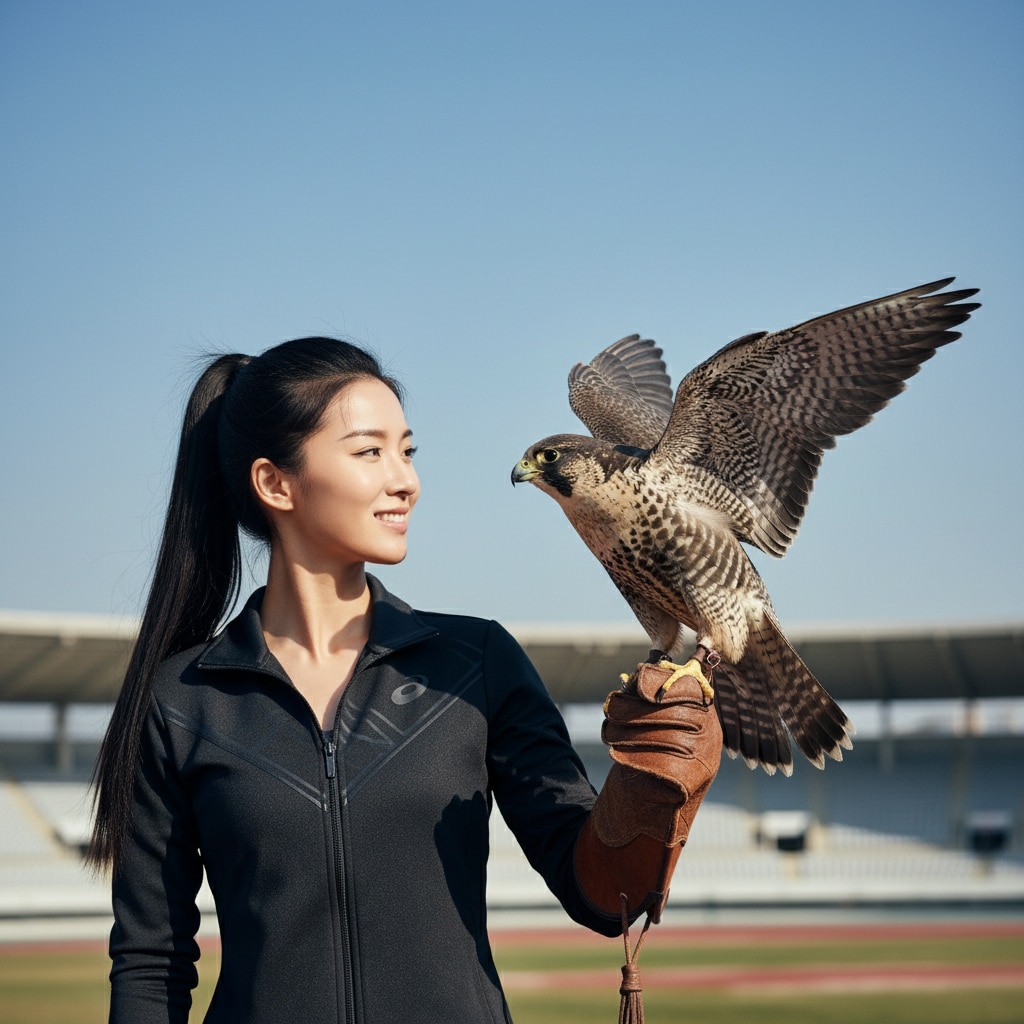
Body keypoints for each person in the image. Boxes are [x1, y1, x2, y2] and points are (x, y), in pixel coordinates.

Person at [88, 337, 722, 1024]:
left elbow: (600, 896)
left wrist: (647, 799)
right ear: (276, 483)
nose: (406, 480)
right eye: (370, 452)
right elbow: (152, 964)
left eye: (408, 451)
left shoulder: (476, 662)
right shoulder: (182, 703)